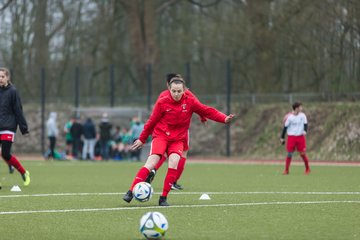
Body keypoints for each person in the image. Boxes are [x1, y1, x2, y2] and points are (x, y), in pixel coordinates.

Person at [123, 76, 235, 206]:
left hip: (178, 139)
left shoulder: (190, 101)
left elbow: (207, 110)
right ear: (169, 90)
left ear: (184, 90)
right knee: (151, 162)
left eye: (179, 91)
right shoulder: (162, 102)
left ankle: (163, 198)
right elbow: (151, 122)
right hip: (161, 136)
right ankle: (131, 191)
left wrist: (224, 118)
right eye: (174, 91)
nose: (176, 94)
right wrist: (142, 139)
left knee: (174, 163)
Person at [145, 73, 207, 190]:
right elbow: (198, 105)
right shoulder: (185, 93)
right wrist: (203, 117)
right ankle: (173, 181)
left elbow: (155, 114)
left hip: (161, 129)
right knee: (182, 153)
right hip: (179, 130)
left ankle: (153, 169)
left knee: (161, 154)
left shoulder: (163, 95)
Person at [0, 67, 30, 186]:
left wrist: (24, 128)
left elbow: (18, 110)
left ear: (7, 77)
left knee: (6, 154)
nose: (0, 79)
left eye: (2, 76)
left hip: (8, 127)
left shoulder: (13, 91)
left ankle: (23, 172)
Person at [280, 102, 311, 175]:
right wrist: (282, 137)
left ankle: (307, 169)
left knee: (302, 154)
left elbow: (306, 124)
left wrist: (305, 131)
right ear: (296, 108)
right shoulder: (290, 117)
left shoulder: (302, 115)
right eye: (300, 107)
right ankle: (286, 170)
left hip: (300, 137)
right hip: (291, 137)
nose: (301, 108)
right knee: (289, 154)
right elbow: (285, 128)